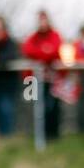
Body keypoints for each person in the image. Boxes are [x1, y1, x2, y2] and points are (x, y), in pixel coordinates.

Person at [21, 11, 63, 140]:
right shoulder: (32, 37)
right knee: (36, 108)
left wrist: (41, 54)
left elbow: (55, 50)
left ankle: (53, 136)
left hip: (52, 80)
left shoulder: (55, 35)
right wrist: (45, 51)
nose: (42, 23)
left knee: (53, 108)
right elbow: (27, 49)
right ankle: (38, 135)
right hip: (33, 81)